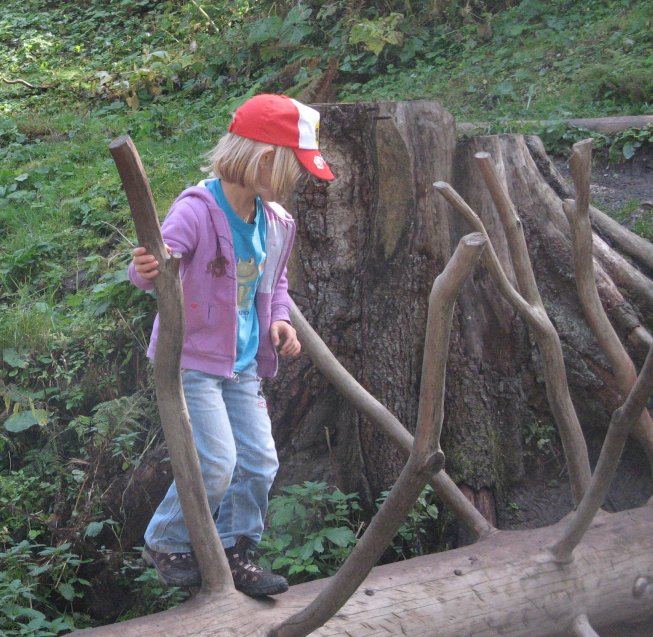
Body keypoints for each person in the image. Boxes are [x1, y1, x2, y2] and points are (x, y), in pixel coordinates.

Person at [128, 94, 334, 597]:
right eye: (292, 167)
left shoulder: (276, 222)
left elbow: (274, 282)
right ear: (265, 159)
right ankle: (165, 539)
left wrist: (280, 321)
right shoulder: (198, 211)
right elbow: (152, 266)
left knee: (260, 460)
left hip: (242, 365)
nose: (295, 179)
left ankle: (237, 549)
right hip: (194, 361)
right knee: (216, 461)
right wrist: (149, 267)